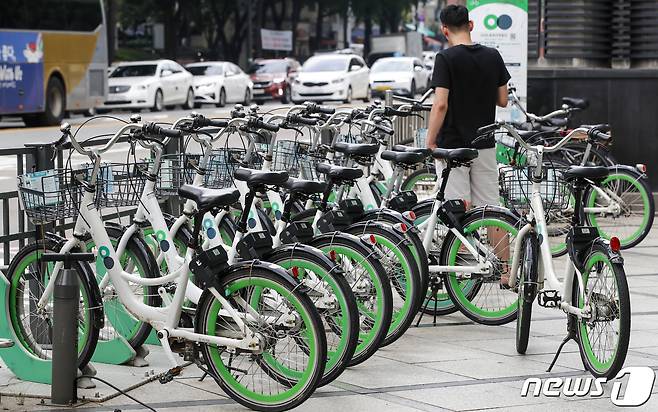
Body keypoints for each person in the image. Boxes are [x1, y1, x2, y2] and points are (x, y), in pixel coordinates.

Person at [426, 4, 512, 285]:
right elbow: (503, 100)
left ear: (444, 30)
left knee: (456, 209)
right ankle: (506, 272)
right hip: (484, 144)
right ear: (471, 25)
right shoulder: (493, 56)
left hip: (453, 146)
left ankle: (464, 273)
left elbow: (440, 104)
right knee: (491, 207)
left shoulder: (446, 58)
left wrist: (430, 140)